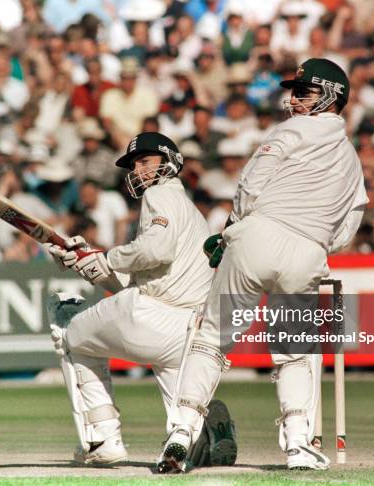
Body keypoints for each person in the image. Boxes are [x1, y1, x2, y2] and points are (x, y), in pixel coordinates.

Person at [157, 58, 368, 473]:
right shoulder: (353, 161)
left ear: (331, 96)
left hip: (258, 235)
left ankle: (181, 432)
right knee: (295, 350)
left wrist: (232, 229)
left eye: (305, 91)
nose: (294, 98)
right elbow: (349, 224)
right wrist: (317, 242)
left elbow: (251, 184)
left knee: (213, 337)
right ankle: (297, 444)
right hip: (309, 250)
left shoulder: (290, 130)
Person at [45, 132, 237, 466]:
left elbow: (154, 250)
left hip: (151, 314)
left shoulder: (160, 194)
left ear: (170, 162)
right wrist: (88, 264)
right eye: (134, 165)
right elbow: (140, 278)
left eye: (146, 161)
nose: (138, 171)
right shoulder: (191, 214)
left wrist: (109, 256)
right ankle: (201, 438)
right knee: (182, 422)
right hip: (188, 332)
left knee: (70, 331)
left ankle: (102, 438)